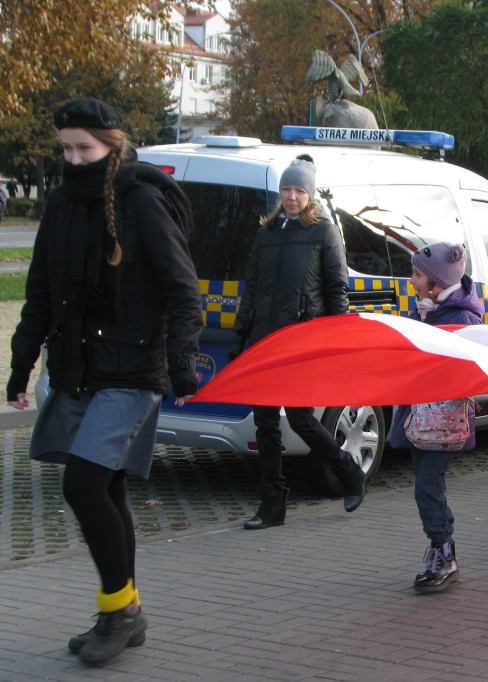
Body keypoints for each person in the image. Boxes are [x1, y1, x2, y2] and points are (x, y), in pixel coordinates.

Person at [6, 97, 202, 666]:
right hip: (81, 368)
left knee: (84, 486)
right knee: (106, 486)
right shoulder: (63, 202)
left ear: (111, 146)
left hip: (134, 370)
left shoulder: (141, 201)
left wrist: (183, 364)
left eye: (83, 149)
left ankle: (119, 612)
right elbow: (40, 290)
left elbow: (182, 289)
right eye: (65, 149)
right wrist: (22, 365)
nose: (73, 158)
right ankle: (125, 610)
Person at [230, 156, 364, 530]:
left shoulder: (323, 231)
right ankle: (272, 503)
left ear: (310, 195)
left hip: (299, 341)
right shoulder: (266, 233)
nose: (292, 197)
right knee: (266, 424)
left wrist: (335, 341)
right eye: (287, 190)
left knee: (303, 418)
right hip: (263, 341)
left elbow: (337, 289)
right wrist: (240, 334)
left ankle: (348, 472)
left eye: (299, 191)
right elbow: (252, 288)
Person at [404, 242, 484, 591]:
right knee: (426, 484)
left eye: (418, 275)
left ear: (436, 283)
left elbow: (459, 363)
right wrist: (420, 319)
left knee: (427, 485)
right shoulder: (426, 309)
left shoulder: (461, 316)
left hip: (445, 418)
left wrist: (428, 324)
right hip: (419, 413)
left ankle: (445, 555)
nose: (412, 281)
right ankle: (442, 550)